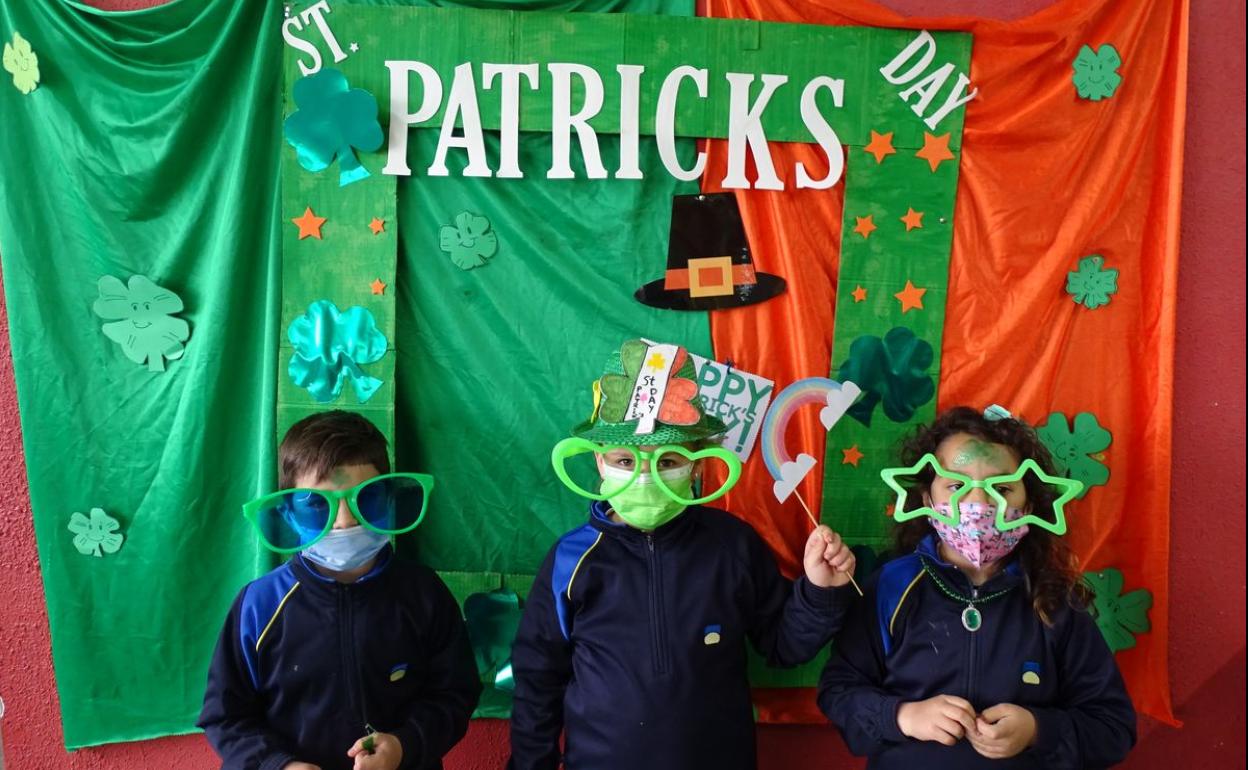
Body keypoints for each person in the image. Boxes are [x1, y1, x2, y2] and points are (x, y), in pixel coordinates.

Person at [508, 338, 858, 770]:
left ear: (699, 465)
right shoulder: (571, 560)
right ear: (598, 463)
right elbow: (538, 679)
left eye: (668, 459)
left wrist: (820, 592)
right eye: (624, 459)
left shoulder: (732, 545)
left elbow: (782, 646)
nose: (644, 475)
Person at [818, 406, 1136, 768]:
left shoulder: (1054, 600)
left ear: (1029, 503)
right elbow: (839, 691)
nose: (979, 504)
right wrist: (902, 716)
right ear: (927, 499)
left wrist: (1037, 730)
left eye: (1001, 488)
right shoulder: (892, 587)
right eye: (956, 486)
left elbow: (1113, 727)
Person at [199, 410, 481, 770]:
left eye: (368, 497)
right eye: (318, 503)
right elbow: (225, 716)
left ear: (390, 498)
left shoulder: (423, 593)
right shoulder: (259, 605)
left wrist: (403, 745)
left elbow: (454, 694)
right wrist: (276, 765)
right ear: (288, 513)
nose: (345, 520)